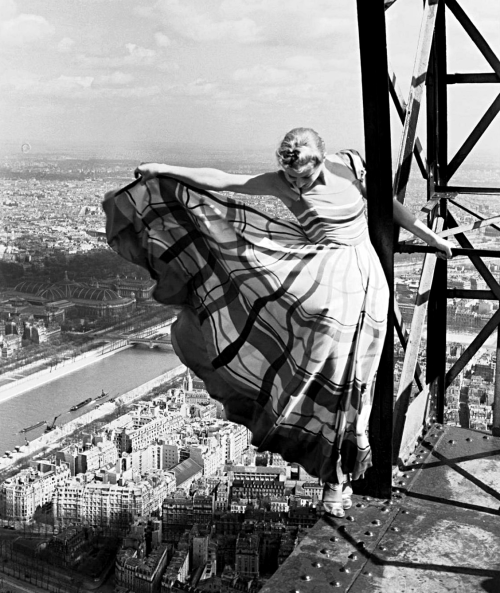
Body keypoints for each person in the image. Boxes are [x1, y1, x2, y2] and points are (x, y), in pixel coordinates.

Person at [103, 127, 453, 518]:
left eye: (304, 177)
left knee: (364, 368)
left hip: (367, 275)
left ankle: (349, 450)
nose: (298, 185)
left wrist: (428, 237)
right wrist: (164, 168)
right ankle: (335, 476)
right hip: (327, 282)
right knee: (337, 373)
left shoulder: (350, 165)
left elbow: (387, 206)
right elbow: (223, 180)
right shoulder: (283, 184)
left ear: (323, 160)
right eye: (291, 178)